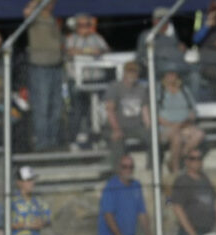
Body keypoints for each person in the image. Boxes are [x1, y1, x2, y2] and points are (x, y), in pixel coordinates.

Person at [98, 155, 150, 235]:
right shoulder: (111, 187)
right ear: (119, 169)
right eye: (124, 167)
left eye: (131, 167)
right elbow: (108, 215)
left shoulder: (136, 185)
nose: (128, 170)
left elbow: (142, 213)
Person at [25, 0, 65, 151]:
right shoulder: (35, 17)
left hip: (56, 66)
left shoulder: (54, 19)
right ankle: (42, 142)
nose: (50, 4)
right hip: (40, 67)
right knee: (42, 106)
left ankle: (52, 141)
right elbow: (27, 12)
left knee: (56, 106)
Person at [65, 13, 110, 142]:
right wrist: (86, 52)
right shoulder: (72, 38)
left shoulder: (97, 38)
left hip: (96, 78)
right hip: (78, 80)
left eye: (87, 25)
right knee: (77, 109)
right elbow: (69, 51)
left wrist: (100, 51)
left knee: (95, 109)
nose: (84, 28)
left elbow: (106, 49)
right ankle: (75, 137)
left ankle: (96, 136)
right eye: (81, 25)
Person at [157, 71, 205, 174]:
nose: (171, 77)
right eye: (168, 74)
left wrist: (186, 122)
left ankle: (176, 159)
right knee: (177, 137)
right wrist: (171, 125)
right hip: (166, 126)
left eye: (173, 74)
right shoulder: (159, 91)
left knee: (198, 134)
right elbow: (155, 113)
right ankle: (175, 169)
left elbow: (192, 110)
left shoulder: (184, 90)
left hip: (184, 124)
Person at [105, 62, 151, 168]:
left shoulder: (141, 89)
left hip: (137, 126)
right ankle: (118, 171)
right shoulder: (115, 87)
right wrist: (116, 128)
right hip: (119, 125)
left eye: (135, 71)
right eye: (130, 71)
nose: (132, 74)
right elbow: (110, 110)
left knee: (153, 137)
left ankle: (152, 167)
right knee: (117, 140)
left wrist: (149, 126)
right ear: (124, 72)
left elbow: (145, 110)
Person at [11, 166, 51, 235]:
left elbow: (47, 218)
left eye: (33, 180)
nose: (32, 183)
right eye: (28, 180)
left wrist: (42, 222)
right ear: (19, 182)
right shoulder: (12, 201)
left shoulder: (38, 201)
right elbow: (6, 222)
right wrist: (29, 225)